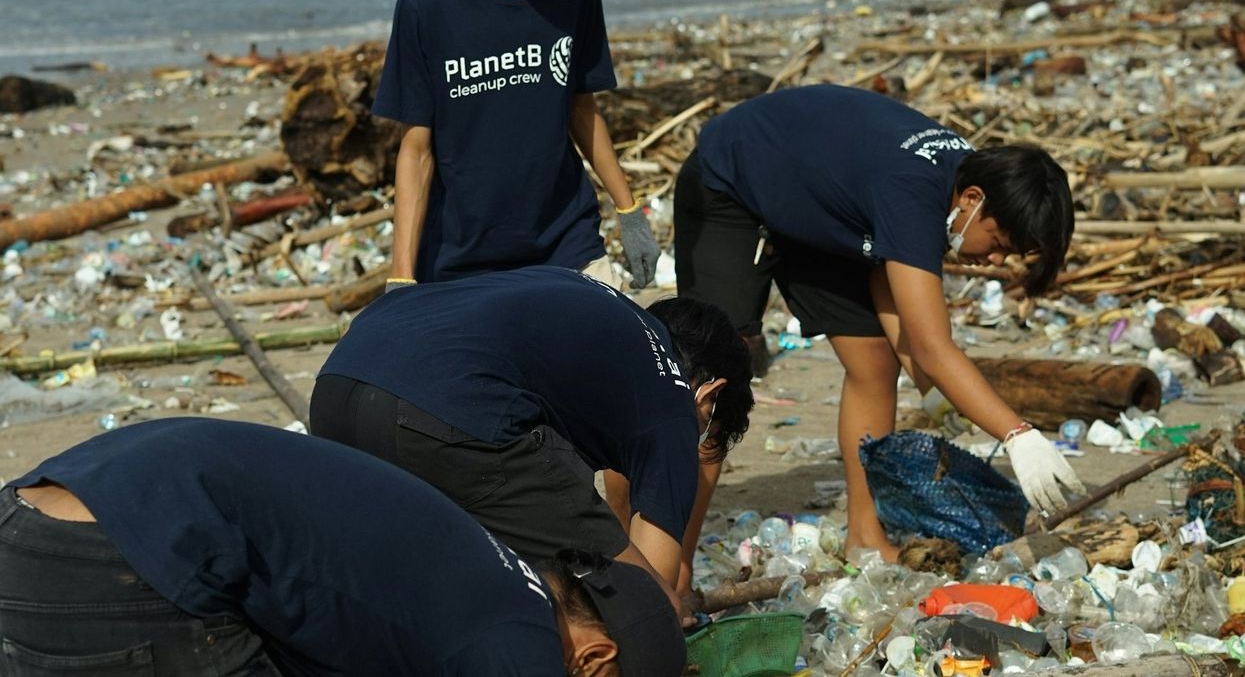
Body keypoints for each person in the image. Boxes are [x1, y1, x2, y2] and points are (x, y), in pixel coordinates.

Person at [673, 84, 1085, 560]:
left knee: (873, 361)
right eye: (998, 244)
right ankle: (670, 562)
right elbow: (932, 345)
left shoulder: (964, 187)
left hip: (819, 204)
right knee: (716, 380)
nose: (994, 260)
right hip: (733, 178)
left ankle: (865, 537)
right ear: (973, 200)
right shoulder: (915, 191)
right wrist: (1017, 435)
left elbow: (890, 287)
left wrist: (930, 389)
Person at [0, 417, 686, 676]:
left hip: (32, 521)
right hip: (122, 562)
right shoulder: (522, 645)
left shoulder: (491, 570)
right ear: (594, 658)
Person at [310, 266, 753, 607]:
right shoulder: (675, 398)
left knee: (417, 583)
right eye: (705, 426)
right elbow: (650, 590)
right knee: (643, 612)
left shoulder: (593, 301)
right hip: (443, 416)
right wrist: (668, 606)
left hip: (340, 382)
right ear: (710, 393)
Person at [373, 0, 659, 291]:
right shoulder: (425, 4)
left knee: (610, 322)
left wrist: (629, 213)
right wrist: (401, 277)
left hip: (567, 241)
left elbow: (582, 107)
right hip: (461, 258)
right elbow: (416, 151)